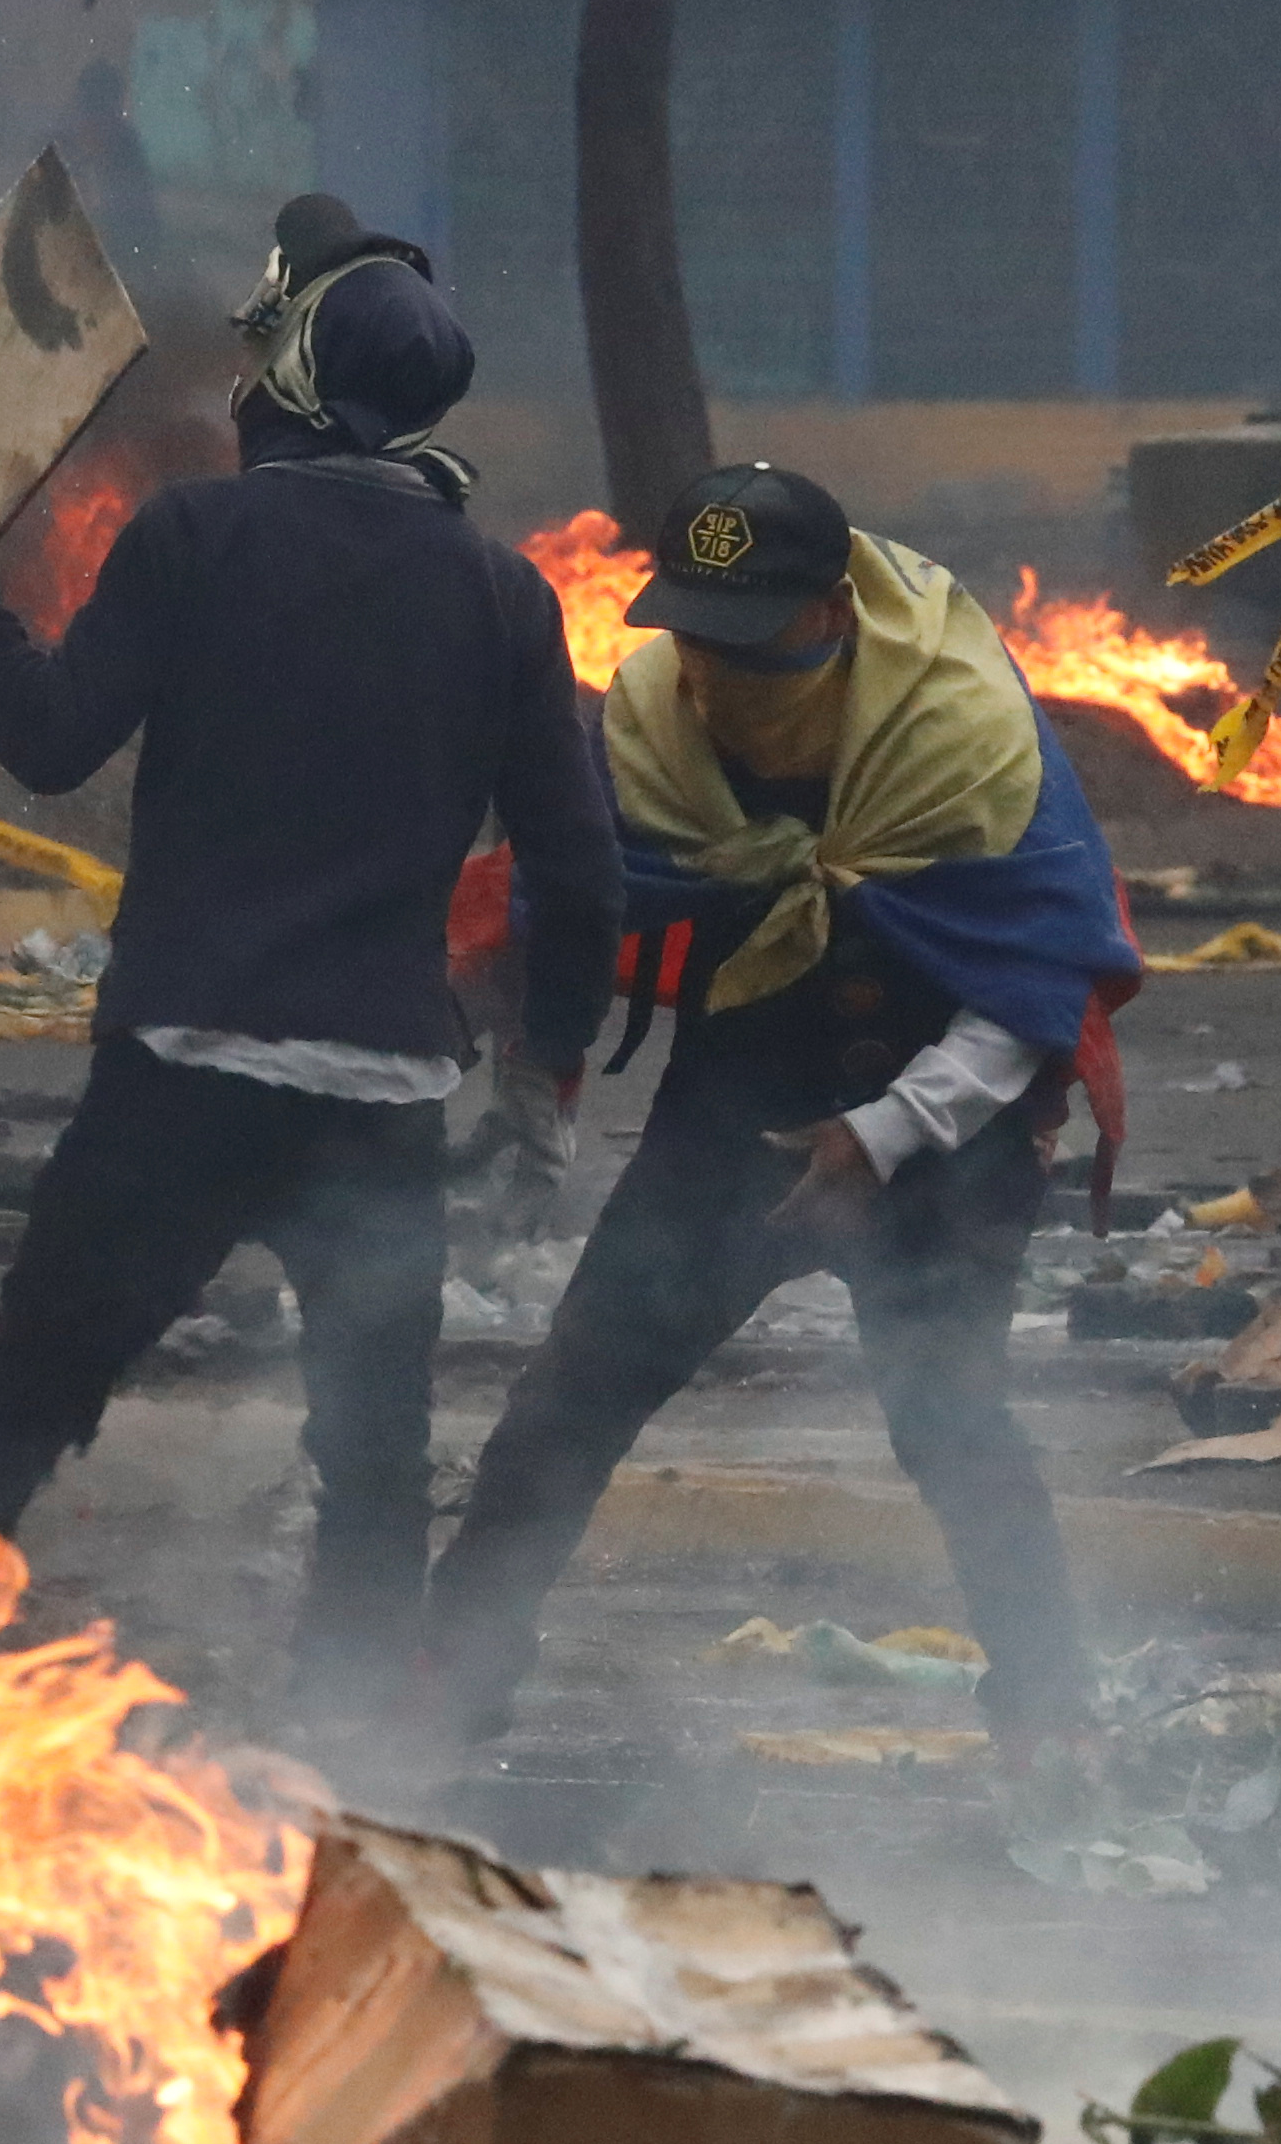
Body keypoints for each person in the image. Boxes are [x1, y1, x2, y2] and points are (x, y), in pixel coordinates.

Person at [0, 195, 622, 1699]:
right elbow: (577, 873)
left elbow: (55, 742)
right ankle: (350, 1777)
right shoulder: (503, 595)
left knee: (26, 1407)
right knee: (374, 1473)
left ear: (301, 391)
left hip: (182, 1079)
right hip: (380, 1101)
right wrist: (548, 1075)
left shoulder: (195, 534)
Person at [423, 460, 1139, 1758]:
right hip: (738, 1106)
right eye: (695, 642)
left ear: (831, 617)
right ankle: (443, 1696)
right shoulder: (648, 725)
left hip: (945, 1129)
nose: (715, 681)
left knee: (951, 1425)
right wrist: (529, 1078)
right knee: (571, 1396)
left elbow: (1036, 981)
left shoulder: (961, 727)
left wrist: (885, 1133)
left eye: (749, 646)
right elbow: (573, 905)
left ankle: (1052, 1725)